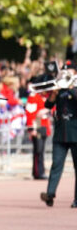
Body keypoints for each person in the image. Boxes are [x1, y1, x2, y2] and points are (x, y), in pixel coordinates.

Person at [40, 61, 77, 208]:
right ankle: (50, 194)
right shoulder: (60, 87)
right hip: (60, 134)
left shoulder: (73, 87)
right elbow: (48, 105)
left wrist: (71, 88)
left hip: (75, 133)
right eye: (64, 71)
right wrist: (54, 93)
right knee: (56, 164)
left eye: (70, 71)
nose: (66, 73)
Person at [25, 90, 51, 180]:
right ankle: (37, 172)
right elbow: (30, 113)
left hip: (44, 125)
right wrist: (31, 128)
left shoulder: (47, 96)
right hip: (37, 124)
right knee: (38, 150)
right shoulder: (34, 96)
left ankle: (41, 171)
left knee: (41, 151)